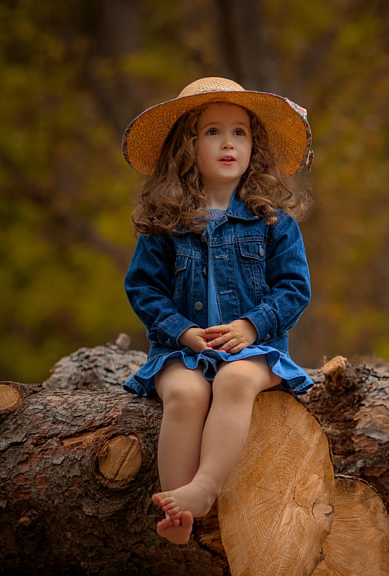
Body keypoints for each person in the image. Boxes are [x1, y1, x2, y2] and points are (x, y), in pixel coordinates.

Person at [120, 77, 314, 545]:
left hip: (255, 348)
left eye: (240, 133)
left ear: (254, 149)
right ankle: (176, 510)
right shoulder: (166, 222)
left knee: (233, 380)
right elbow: (143, 288)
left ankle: (203, 489)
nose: (228, 142)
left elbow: (294, 289)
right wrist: (183, 332)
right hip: (180, 349)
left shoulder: (272, 221)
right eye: (212, 132)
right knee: (185, 395)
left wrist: (252, 326)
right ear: (187, 147)